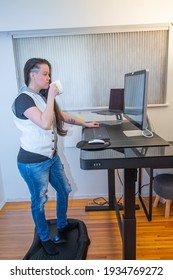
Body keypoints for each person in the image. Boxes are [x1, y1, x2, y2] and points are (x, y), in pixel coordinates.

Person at [12, 57, 99, 255]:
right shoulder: (23, 99)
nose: (48, 77)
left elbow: (60, 116)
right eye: (44, 73)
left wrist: (85, 124)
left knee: (65, 189)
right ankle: (44, 239)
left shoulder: (42, 96)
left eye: (49, 74)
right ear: (32, 75)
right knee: (39, 201)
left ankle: (62, 224)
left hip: (51, 158)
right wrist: (51, 95)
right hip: (32, 162)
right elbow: (44, 123)